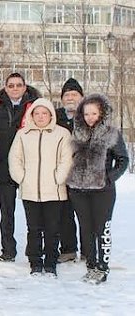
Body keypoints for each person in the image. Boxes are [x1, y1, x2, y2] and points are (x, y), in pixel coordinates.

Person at [67, 93, 129, 284]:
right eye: (86, 114)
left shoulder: (111, 133)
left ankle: (103, 267)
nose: (90, 117)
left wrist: (108, 178)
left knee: (102, 229)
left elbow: (123, 160)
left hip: (103, 191)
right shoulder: (77, 132)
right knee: (86, 229)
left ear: (101, 113)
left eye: (94, 113)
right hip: (78, 190)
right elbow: (69, 158)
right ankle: (91, 265)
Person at [8, 98, 73, 277]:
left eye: (44, 113)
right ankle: (35, 261)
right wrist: (22, 178)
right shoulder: (23, 134)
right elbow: (15, 158)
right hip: (30, 190)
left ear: (51, 115)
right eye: (37, 113)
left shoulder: (62, 133)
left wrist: (57, 178)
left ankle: (51, 262)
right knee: (34, 228)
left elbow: (66, 159)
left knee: (53, 228)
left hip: (54, 191)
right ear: (31, 115)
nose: (41, 117)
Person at [0, 72, 41, 262]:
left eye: (19, 85)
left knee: (32, 212)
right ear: (5, 87)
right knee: (6, 213)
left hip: (29, 167)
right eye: (11, 85)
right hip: (3, 166)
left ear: (25, 87)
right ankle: (8, 251)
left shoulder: (35, 107)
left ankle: (34, 251)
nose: (15, 88)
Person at [55, 78, 84, 264]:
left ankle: (89, 251)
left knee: (86, 215)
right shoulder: (55, 116)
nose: (71, 98)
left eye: (74, 94)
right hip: (62, 173)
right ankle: (68, 249)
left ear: (82, 97)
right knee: (64, 214)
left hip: (84, 174)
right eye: (67, 95)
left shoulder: (89, 115)